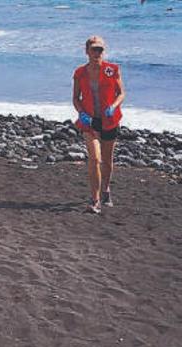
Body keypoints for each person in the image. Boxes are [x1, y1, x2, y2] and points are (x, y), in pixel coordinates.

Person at [72, 35, 126, 213]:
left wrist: (113, 106)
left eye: (100, 50)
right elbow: (76, 98)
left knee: (107, 161)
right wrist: (81, 113)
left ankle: (106, 190)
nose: (97, 53)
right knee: (94, 159)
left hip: (109, 120)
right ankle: (95, 200)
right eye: (94, 49)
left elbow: (121, 93)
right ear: (86, 51)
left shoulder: (112, 69)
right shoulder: (80, 73)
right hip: (89, 121)